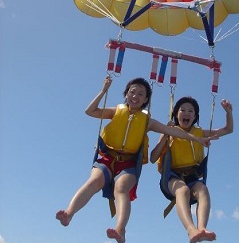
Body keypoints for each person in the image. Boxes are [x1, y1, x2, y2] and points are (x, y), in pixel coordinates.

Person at [56, 77, 212, 243]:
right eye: (132, 92)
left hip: (128, 164)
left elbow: (172, 131)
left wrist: (197, 139)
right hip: (107, 158)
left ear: (146, 99)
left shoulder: (147, 122)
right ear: (126, 94)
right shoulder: (116, 111)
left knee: (121, 188)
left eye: (140, 94)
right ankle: (69, 213)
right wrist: (103, 90)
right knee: (94, 181)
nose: (135, 96)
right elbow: (90, 111)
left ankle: (120, 229)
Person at [150, 96, 233, 243]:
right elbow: (152, 157)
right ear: (176, 114)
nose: (186, 113)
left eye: (190, 111)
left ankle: (201, 228)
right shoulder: (169, 131)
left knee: (203, 189)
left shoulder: (199, 133)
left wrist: (228, 112)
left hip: (193, 177)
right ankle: (191, 230)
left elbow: (228, 130)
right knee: (182, 190)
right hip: (172, 177)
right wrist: (165, 135)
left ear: (195, 116)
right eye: (182, 110)